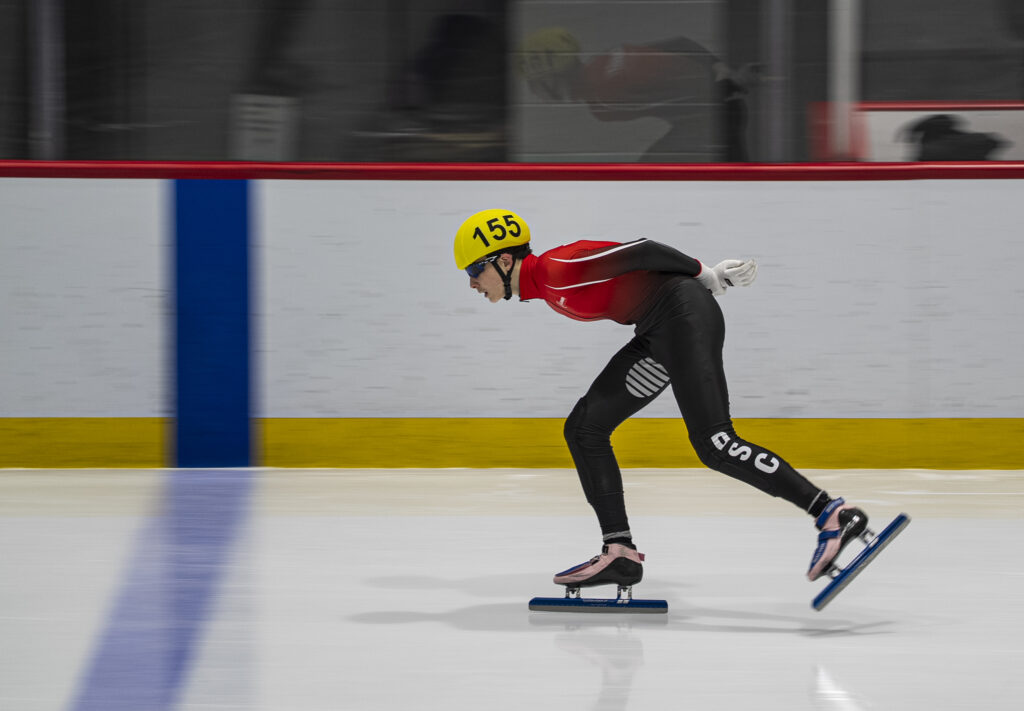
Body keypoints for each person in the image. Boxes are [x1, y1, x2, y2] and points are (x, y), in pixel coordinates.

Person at [453, 208, 869, 593]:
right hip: (660, 333)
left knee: (715, 444)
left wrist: (703, 274)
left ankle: (831, 514)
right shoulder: (545, 285)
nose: (472, 282)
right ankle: (619, 552)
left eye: (474, 270)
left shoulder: (556, 271)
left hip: (681, 320)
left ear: (504, 261)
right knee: (584, 429)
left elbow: (643, 251)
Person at [517, 27, 753, 162]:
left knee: (648, 171)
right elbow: (679, 42)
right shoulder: (604, 62)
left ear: (556, 77)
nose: (537, 94)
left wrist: (730, 85)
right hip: (712, 111)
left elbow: (698, 101)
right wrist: (719, 68)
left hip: (716, 114)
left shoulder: (604, 96)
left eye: (537, 85)